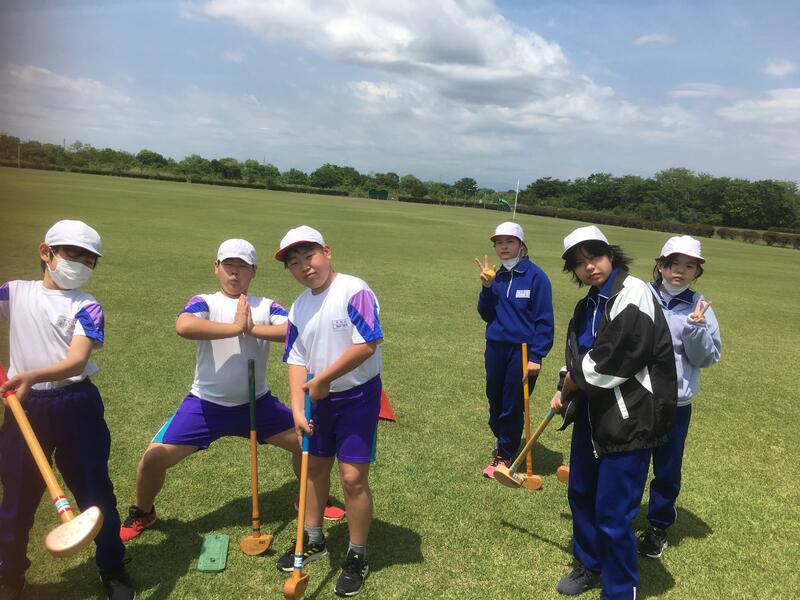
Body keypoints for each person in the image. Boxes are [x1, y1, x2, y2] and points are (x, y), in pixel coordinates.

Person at [119, 239, 342, 544]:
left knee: (310, 444)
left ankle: (309, 496)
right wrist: (235, 328)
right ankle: (143, 511)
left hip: (257, 404)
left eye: (242, 267)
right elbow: (184, 326)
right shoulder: (205, 302)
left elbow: (293, 329)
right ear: (217, 268)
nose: (235, 273)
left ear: (254, 271)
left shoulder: (265, 306)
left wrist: (252, 328)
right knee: (153, 459)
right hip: (205, 406)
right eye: (229, 265)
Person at [0, 220, 135, 600]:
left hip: (76, 403)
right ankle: (10, 575)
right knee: (17, 498)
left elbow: (77, 361)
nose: (82, 265)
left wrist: (31, 376)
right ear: (46, 252)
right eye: (74, 255)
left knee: (95, 491)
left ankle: (112, 567)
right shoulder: (14, 292)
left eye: (90, 261)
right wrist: (25, 383)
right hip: (25, 408)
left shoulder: (87, 305)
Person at [550, 225, 677, 599]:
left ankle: (621, 591)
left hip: (630, 419)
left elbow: (615, 356)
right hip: (592, 414)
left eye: (595, 257)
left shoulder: (633, 292)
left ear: (610, 255)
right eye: (579, 263)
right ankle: (590, 565)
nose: (589, 267)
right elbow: (579, 354)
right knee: (581, 493)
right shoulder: (588, 303)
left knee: (613, 512)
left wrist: (573, 381)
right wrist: (563, 384)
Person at [274, 226, 383, 597]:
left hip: (357, 397)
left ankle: (357, 554)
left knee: (352, 478)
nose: (305, 267)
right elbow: (295, 358)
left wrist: (323, 379)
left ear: (327, 252)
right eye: (295, 263)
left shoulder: (354, 290)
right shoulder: (299, 306)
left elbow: (367, 344)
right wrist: (296, 406)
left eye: (310, 257)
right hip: (316, 400)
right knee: (314, 469)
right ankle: (314, 539)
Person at [638, 236, 721, 559]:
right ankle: (619, 518)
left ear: (696, 272)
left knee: (667, 467)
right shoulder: (639, 295)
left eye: (689, 266)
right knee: (630, 461)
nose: (680, 271)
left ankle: (658, 527)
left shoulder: (700, 306)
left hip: (675, 402)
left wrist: (696, 328)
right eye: (674, 264)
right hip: (636, 397)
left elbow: (706, 358)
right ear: (661, 265)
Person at [475, 221, 554, 478]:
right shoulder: (494, 276)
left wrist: (536, 355)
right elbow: (486, 314)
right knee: (495, 401)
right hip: (495, 347)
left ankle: (504, 454)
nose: (504, 247)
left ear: (521, 245)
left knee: (512, 402)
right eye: (499, 242)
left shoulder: (536, 277)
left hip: (522, 351)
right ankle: (506, 439)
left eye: (510, 241)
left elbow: (544, 320)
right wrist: (487, 288)